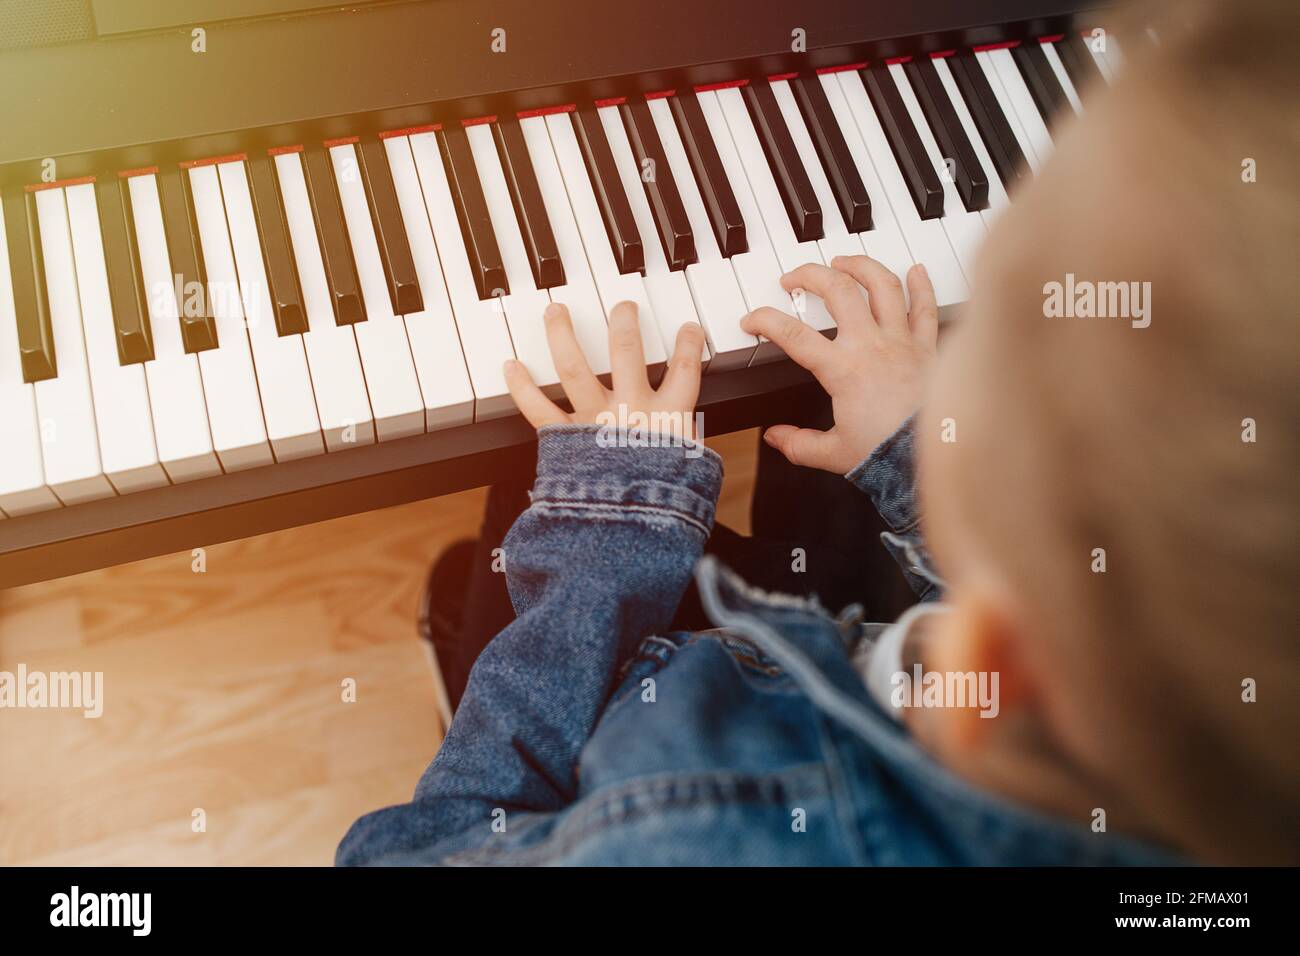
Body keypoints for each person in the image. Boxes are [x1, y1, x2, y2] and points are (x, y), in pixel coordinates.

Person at [338, 0, 1298, 865]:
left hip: (647, 717)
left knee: (526, 496)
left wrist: (607, 519)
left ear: (988, 652)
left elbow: (429, 848)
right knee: (814, 422)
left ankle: (472, 640)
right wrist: (919, 445)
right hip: (859, 652)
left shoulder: (683, 835)